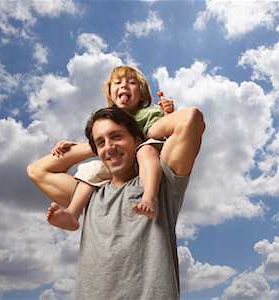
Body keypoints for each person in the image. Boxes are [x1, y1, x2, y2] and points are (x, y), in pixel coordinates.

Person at [28, 106, 204, 298]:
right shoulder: (89, 194)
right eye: (100, 142)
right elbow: (36, 170)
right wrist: (92, 147)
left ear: (137, 141)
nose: (109, 146)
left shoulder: (161, 183)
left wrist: (143, 132)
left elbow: (190, 118)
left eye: (117, 136)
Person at [48, 65, 174, 230]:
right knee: (92, 168)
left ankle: (150, 198)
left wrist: (169, 113)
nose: (124, 85)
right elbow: (101, 143)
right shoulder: (110, 119)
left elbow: (169, 133)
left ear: (142, 94)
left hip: (146, 159)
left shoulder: (151, 112)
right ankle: (72, 213)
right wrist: (71, 145)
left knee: (145, 150)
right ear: (110, 94)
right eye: (118, 83)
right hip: (121, 162)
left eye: (131, 83)